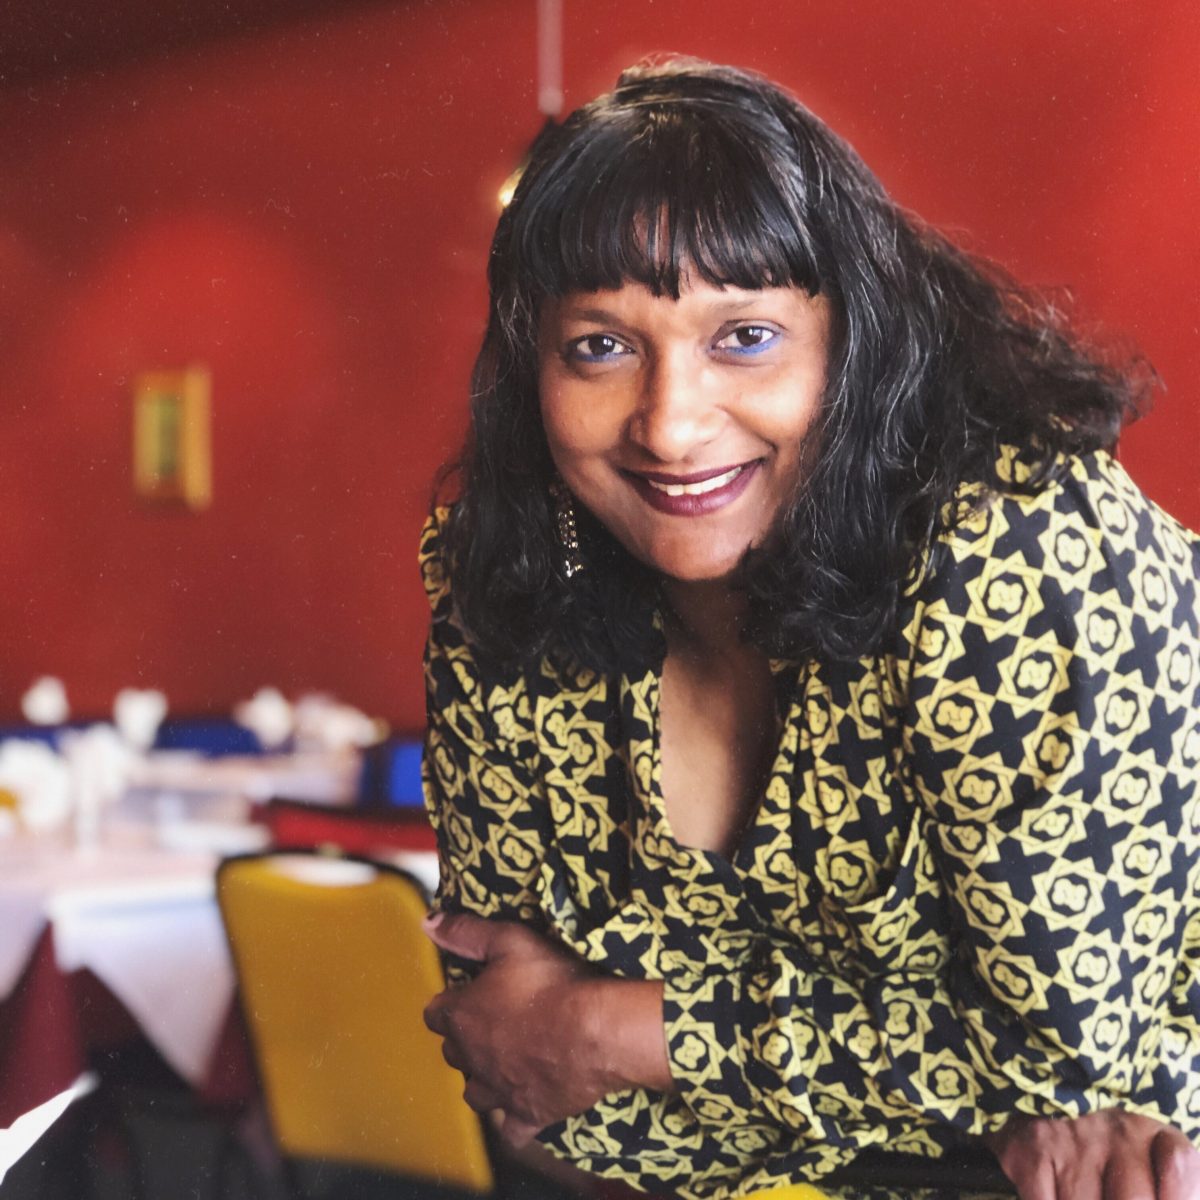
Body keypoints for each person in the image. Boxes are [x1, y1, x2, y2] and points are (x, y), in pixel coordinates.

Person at [419, 58, 1200, 1199]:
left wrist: (619, 1030)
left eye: (745, 336)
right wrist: (957, 1097)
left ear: (853, 347)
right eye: (600, 345)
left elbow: (1066, 1050)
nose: (670, 425)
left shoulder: (1012, 550)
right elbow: (531, 1080)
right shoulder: (501, 585)